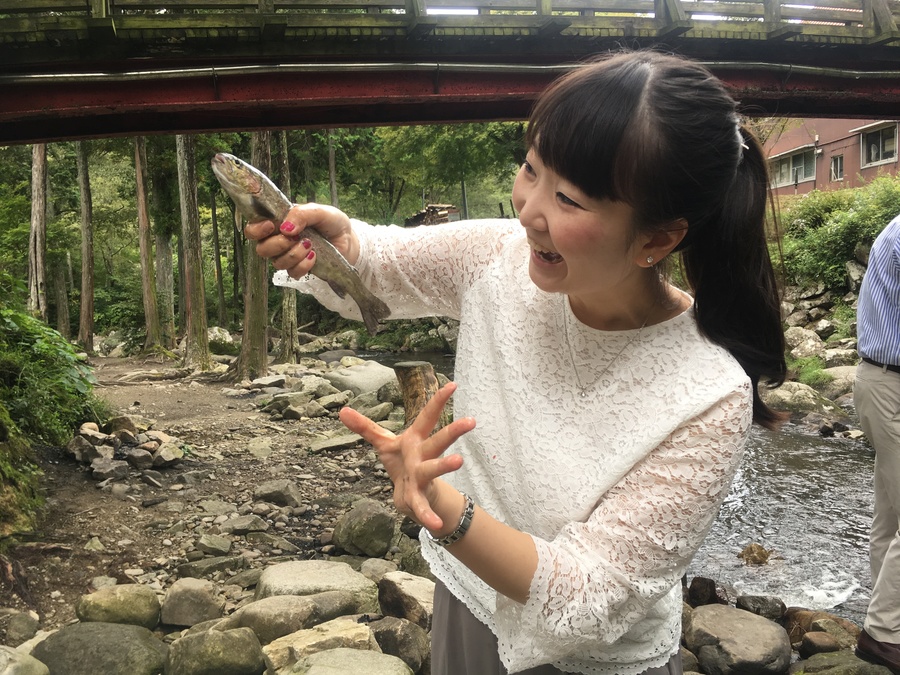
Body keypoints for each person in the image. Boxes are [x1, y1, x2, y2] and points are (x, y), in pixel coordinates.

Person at [245, 50, 787, 675]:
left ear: (657, 238)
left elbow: (592, 597)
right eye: (530, 167)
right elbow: (383, 266)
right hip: (468, 598)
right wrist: (341, 244)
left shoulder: (708, 391)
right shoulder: (497, 258)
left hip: (598, 660)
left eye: (569, 199)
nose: (528, 211)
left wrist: (439, 504)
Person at [853, 215, 900, 672]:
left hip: (881, 380)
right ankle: (883, 633)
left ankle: (884, 618)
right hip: (892, 386)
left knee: (889, 513)